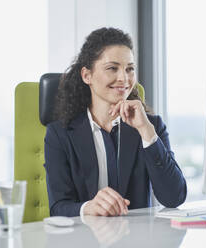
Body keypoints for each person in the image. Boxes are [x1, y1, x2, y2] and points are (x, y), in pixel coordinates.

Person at [44, 27, 187, 217]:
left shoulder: (150, 126)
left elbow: (174, 197)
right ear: (87, 75)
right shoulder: (60, 134)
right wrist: (88, 208)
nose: (124, 78)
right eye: (112, 68)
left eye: (130, 69)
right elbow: (58, 207)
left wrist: (147, 133)